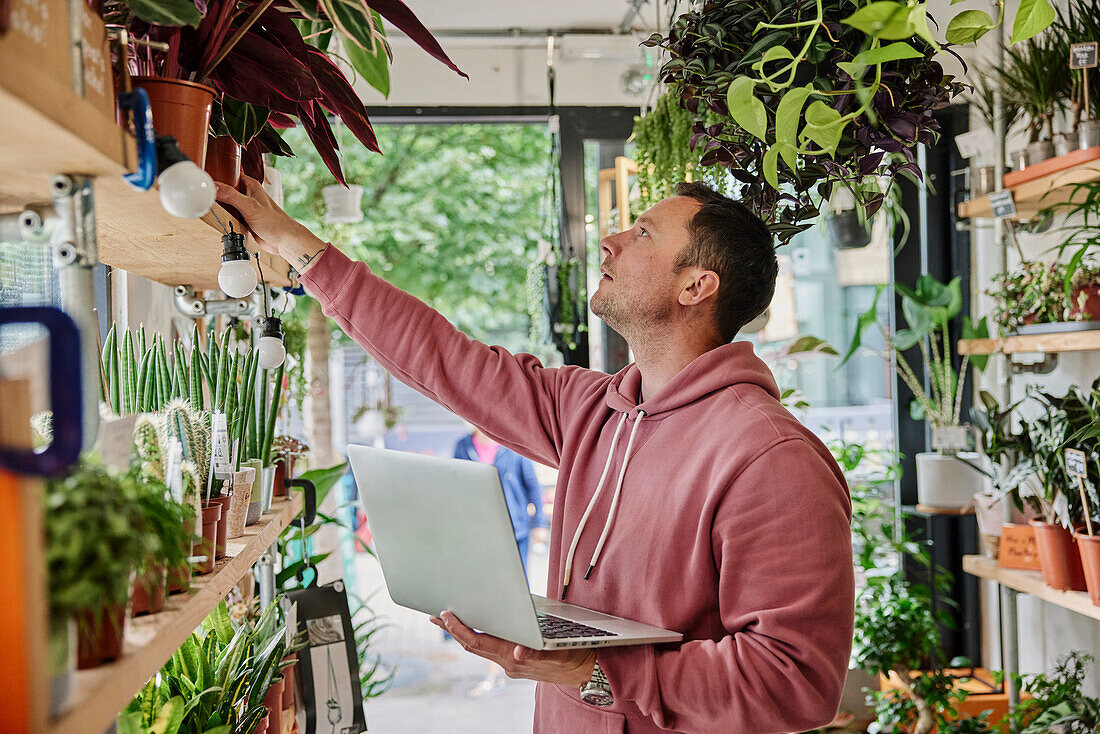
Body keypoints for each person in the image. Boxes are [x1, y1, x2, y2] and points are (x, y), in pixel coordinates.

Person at [217, 176, 855, 734]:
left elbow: (796, 680)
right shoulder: (592, 409)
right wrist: (298, 246)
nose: (610, 240)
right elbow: (444, 359)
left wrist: (596, 670)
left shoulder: (771, 457)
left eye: (642, 233)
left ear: (696, 285)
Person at [454, 424, 550, 697]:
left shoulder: (512, 441)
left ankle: (521, 658)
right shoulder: (464, 447)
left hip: (514, 533)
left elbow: (532, 488)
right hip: (479, 535)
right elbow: (454, 485)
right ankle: (493, 671)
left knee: (515, 597)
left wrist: (539, 525)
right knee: (487, 600)